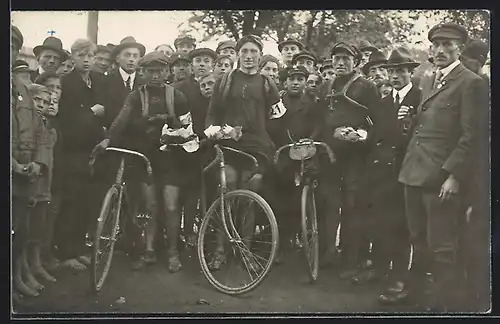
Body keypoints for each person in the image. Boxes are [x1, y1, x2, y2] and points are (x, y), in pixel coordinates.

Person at [397, 22, 486, 312]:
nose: (440, 51)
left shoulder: (471, 82)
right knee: (418, 241)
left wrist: (454, 176)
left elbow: (472, 136)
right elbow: (426, 128)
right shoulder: (429, 81)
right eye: (436, 45)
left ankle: (445, 306)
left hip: (440, 178)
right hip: (414, 172)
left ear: (459, 49)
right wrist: (409, 120)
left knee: (443, 247)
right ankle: (420, 297)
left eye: (448, 45)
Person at [92, 51, 191, 273]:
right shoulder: (135, 97)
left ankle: (173, 252)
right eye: (150, 71)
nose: (155, 75)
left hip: (171, 158)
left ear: (167, 72)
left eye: (160, 71)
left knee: (172, 205)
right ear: (143, 72)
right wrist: (108, 139)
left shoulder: (178, 97)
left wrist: (173, 125)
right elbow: (120, 120)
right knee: (150, 205)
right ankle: (149, 251)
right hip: (144, 157)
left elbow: (189, 130)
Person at [204, 34, 281, 270]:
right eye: (244, 51)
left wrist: (275, 142)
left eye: (253, 52)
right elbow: (211, 115)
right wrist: (215, 132)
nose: (249, 57)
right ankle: (220, 250)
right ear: (237, 54)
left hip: (257, 147)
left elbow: (278, 117)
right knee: (227, 187)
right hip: (230, 145)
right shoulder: (226, 81)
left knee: (252, 189)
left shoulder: (267, 82)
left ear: (260, 54)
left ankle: (245, 250)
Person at [355, 47, 422, 302]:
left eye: (401, 71)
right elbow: (375, 135)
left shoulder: (419, 98)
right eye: (392, 71)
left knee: (401, 226)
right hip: (380, 171)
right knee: (381, 222)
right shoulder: (383, 101)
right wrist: (360, 135)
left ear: (410, 73)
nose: (395, 76)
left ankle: (399, 277)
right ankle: (383, 270)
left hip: (404, 170)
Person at [315, 42, 379, 277]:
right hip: (331, 155)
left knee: (353, 206)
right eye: (337, 58)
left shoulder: (367, 87)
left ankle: (352, 260)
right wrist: (330, 134)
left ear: (356, 62)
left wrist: (360, 134)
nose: (340, 63)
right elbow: (318, 120)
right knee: (330, 204)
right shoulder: (325, 87)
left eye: (346, 58)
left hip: (357, 156)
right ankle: (329, 254)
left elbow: (377, 121)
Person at [54, 39, 108, 271]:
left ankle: (77, 249)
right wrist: (90, 113)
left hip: (92, 149)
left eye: (90, 56)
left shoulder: (96, 81)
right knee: (72, 201)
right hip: (72, 149)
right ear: (73, 57)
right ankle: (66, 253)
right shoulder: (66, 82)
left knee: (86, 201)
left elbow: (107, 111)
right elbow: (65, 118)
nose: (86, 60)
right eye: (81, 55)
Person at [267, 66, 323, 264]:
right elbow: (271, 126)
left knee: (299, 197)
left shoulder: (312, 102)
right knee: (279, 198)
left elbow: (319, 125)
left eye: (300, 79)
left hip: (305, 153)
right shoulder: (278, 103)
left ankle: (297, 236)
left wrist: (310, 139)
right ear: (284, 82)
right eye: (292, 79)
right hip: (282, 154)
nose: (296, 82)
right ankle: (279, 242)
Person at [12, 25, 50, 300]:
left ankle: (15, 280)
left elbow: (40, 133)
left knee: (21, 233)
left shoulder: (24, 90)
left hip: (24, 176)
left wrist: (38, 162)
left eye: (13, 46)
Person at [171, 47, 217, 255]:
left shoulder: (219, 87)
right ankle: (185, 232)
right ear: (191, 65)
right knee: (187, 193)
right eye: (198, 60)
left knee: (209, 192)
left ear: (212, 65)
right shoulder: (180, 88)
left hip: (211, 148)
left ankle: (207, 237)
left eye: (206, 61)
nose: (202, 64)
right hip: (185, 147)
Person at [457, 38, 490, 311]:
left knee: (477, 235)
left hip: (480, 175)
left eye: (468, 64)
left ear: (479, 64)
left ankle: (477, 296)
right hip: (464, 171)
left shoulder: (480, 88)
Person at [26, 84, 59, 285]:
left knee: (38, 227)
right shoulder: (25, 124)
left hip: (44, 184)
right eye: (36, 100)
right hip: (29, 181)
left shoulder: (48, 124)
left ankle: (35, 264)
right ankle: (23, 271)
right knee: (25, 231)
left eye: (45, 102)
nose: (40, 105)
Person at [34, 72, 64, 272]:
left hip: (58, 170)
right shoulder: (38, 114)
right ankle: (35, 260)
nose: (54, 92)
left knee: (52, 212)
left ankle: (44, 255)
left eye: (58, 88)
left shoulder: (61, 113)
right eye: (50, 87)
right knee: (37, 217)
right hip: (40, 171)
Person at [102, 36, 146, 129]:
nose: (131, 59)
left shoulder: (145, 83)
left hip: (139, 137)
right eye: (127, 55)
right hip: (112, 137)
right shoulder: (105, 81)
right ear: (118, 58)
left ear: (140, 60)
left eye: (135, 56)